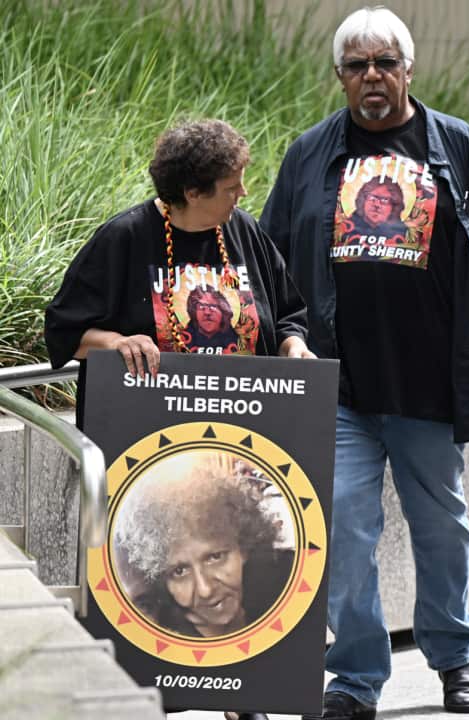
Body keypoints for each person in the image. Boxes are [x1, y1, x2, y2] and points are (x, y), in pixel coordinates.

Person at [259, 7, 469, 718]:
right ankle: (354, 678)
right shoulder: (309, 154)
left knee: (442, 530)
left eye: (385, 63)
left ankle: (455, 657)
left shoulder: (457, 146)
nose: (373, 76)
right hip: (339, 386)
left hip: (430, 384)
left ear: (409, 70)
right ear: (340, 77)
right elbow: (270, 264)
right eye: (358, 66)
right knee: (343, 534)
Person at [44, 118, 314, 720]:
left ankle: (243, 692)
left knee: (229, 571)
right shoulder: (124, 239)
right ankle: (150, 694)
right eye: (231, 185)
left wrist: (293, 344)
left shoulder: (243, 232)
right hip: (154, 460)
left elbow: (288, 311)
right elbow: (63, 331)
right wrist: (114, 340)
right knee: (175, 575)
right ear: (192, 192)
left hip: (238, 451)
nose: (242, 194)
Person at [113, 452, 294, 638]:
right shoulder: (161, 636)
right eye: (179, 571)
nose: (205, 590)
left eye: (215, 557)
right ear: (163, 584)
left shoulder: (285, 592)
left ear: (243, 548)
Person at [185, 286, 242, 353]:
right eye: (201, 306)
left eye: (213, 306)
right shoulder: (182, 339)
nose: (207, 312)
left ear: (223, 311)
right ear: (193, 311)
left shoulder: (237, 339)